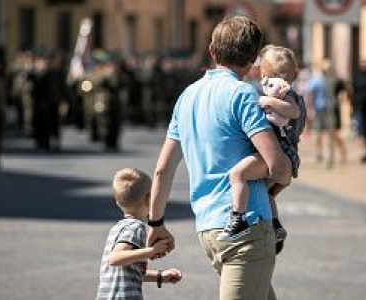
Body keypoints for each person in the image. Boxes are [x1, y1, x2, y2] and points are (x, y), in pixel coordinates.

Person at [147, 16, 292, 300]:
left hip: (209, 229)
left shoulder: (187, 96)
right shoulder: (242, 95)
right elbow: (279, 166)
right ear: (253, 59)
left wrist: (156, 224)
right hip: (247, 227)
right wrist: (280, 177)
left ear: (212, 51)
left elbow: (163, 169)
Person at [217, 45, 306, 257]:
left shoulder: (285, 94)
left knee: (238, 174)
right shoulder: (287, 92)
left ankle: (237, 220)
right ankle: (276, 226)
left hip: (279, 152)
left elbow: (293, 112)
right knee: (267, 195)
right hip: (288, 155)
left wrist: (267, 101)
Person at [96, 168, 182, 299]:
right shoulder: (136, 227)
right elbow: (114, 259)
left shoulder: (118, 227)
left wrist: (159, 276)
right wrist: (152, 250)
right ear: (149, 199)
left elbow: (129, 272)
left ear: (117, 202)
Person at [306, 59, 347, 168]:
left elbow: (343, 91)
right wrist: (310, 110)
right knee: (318, 133)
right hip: (319, 109)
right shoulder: (316, 80)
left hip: (331, 109)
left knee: (332, 133)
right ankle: (319, 154)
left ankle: (333, 155)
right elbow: (310, 95)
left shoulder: (334, 80)